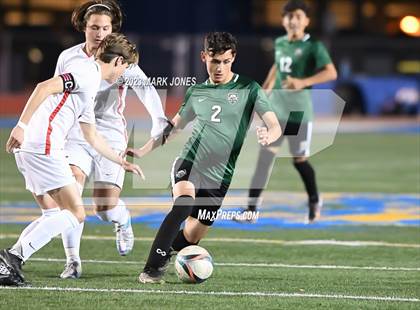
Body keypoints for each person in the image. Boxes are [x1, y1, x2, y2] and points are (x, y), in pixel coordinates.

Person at [10, 0, 166, 280]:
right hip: (69, 134)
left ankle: (122, 219)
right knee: (72, 203)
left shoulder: (119, 59)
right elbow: (50, 90)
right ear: (84, 27)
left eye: (106, 28)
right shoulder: (74, 61)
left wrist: (158, 126)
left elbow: (148, 93)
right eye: (95, 27)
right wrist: (23, 125)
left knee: (102, 208)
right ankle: (72, 261)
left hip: (106, 134)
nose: (100, 34)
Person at [126, 32, 281, 283]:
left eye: (225, 61)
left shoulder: (249, 89)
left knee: (191, 236)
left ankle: (165, 254)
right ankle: (151, 269)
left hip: (221, 176)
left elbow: (274, 124)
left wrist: (270, 134)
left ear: (233, 59)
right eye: (214, 61)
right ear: (203, 57)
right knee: (183, 206)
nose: (219, 67)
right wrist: (143, 150)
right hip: (190, 161)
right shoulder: (196, 91)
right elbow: (174, 128)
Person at [0, 33, 142, 287]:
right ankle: (12, 257)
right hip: (42, 144)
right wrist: (21, 126)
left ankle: (10, 262)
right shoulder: (86, 73)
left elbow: (91, 135)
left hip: (35, 146)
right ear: (118, 61)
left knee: (54, 213)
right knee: (75, 213)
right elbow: (43, 87)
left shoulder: (92, 83)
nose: (122, 75)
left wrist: (121, 162)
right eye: (125, 69)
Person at [239, 0, 337, 223]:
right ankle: (251, 210)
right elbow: (276, 69)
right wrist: (262, 95)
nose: (293, 21)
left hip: (298, 113)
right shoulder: (281, 42)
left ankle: (314, 199)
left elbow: (331, 73)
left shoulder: (314, 46)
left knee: (299, 160)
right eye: (289, 17)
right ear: (283, 20)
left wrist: (303, 82)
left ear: (306, 21)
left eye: (298, 16)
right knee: (264, 159)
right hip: (276, 112)